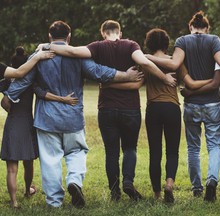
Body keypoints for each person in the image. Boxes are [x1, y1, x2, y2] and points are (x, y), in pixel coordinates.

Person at [3, 20, 143, 208]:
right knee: (77, 151)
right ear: (69, 37)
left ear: (49, 37)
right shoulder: (78, 56)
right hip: (73, 116)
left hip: (47, 119)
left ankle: (54, 201)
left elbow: (23, 80)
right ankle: (74, 181)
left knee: (50, 160)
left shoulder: (40, 55)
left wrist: (10, 95)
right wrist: (126, 75)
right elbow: (99, 72)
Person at [43, 20, 177, 202]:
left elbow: (71, 51)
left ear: (103, 33)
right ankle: (128, 181)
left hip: (106, 108)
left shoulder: (96, 46)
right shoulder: (131, 45)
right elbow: (145, 62)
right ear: (119, 33)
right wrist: (165, 78)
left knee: (111, 152)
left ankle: (115, 192)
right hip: (130, 108)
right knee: (130, 148)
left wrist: (46, 45)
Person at [146, 11, 220, 202]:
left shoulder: (182, 41)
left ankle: (197, 188)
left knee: (193, 148)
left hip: (191, 105)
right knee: (214, 146)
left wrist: (145, 56)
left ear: (191, 27)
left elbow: (175, 64)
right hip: (212, 102)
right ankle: (211, 181)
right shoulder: (214, 40)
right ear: (207, 28)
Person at [140, 28, 211, 203]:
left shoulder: (146, 62)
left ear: (149, 44)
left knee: (154, 152)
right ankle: (169, 185)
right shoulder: (175, 61)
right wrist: (214, 80)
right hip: (172, 108)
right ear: (167, 44)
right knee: (172, 151)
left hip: (153, 109)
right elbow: (191, 84)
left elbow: (136, 80)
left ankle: (157, 194)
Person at [0, 47, 55, 208]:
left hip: (12, 125)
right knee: (28, 162)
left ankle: (14, 201)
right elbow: (43, 93)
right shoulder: (31, 82)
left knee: (11, 169)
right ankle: (27, 190)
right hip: (27, 124)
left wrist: (5, 100)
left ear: (12, 64)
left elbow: (4, 99)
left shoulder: (7, 82)